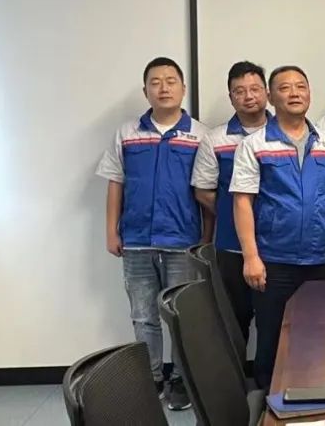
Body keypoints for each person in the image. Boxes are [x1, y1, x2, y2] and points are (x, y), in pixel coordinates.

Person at [95, 56, 207, 411]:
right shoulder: (127, 133)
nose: (163, 88)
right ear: (146, 91)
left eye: (171, 81)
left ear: (183, 88)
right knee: (143, 315)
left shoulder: (200, 135)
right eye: (155, 82)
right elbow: (116, 182)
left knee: (181, 316)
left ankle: (182, 378)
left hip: (182, 242)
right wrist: (111, 231)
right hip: (136, 241)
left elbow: (206, 191)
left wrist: (205, 240)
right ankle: (153, 377)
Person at [231, 65, 325, 389]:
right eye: (285, 88)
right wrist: (251, 257)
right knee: (270, 339)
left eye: (301, 86)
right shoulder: (255, 144)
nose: (294, 93)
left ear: (309, 93)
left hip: (318, 260)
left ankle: (312, 400)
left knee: (316, 338)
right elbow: (242, 202)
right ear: (270, 96)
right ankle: (267, 403)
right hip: (273, 261)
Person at [190, 60, 270, 347]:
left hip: (277, 247)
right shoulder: (216, 139)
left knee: (276, 321)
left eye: (255, 89)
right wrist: (237, 213)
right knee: (233, 322)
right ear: (231, 97)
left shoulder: (286, 133)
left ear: (267, 92)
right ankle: (235, 376)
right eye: (240, 91)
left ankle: (272, 374)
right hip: (232, 247)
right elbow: (203, 191)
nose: (249, 96)